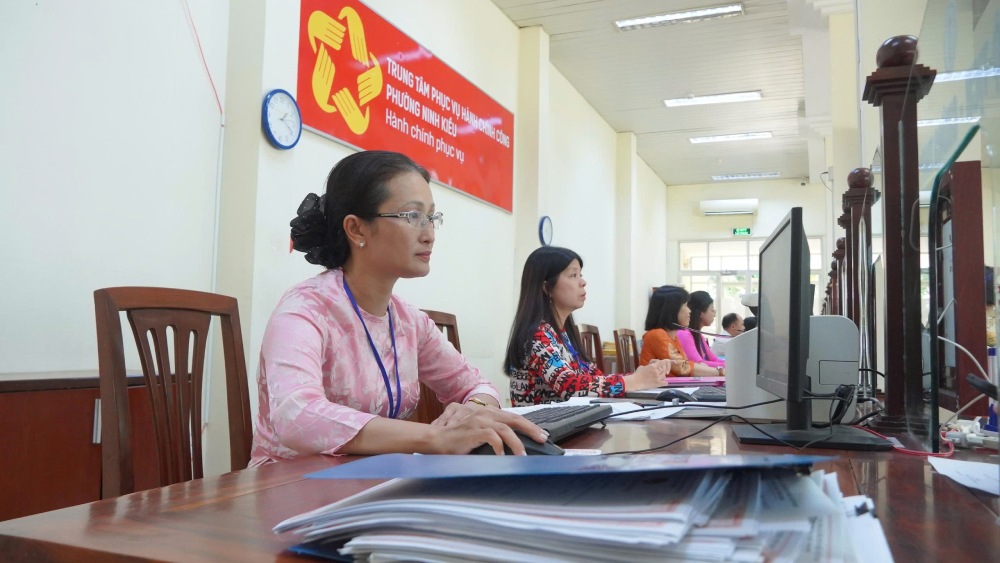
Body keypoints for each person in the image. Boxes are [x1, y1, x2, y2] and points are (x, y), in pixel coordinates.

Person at [251, 150, 546, 464]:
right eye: (413, 216)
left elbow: (476, 383)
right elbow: (296, 415)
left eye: (432, 217)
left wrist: (478, 408)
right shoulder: (304, 309)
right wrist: (436, 437)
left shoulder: (408, 320)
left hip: (376, 480)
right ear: (357, 229)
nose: (429, 234)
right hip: (290, 487)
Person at [505, 246, 669, 406]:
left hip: (564, 426)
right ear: (547, 287)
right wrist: (634, 381)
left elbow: (594, 378)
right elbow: (569, 386)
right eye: (573, 275)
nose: (583, 282)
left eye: (580, 275)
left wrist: (643, 374)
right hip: (540, 428)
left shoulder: (562, 334)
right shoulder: (537, 334)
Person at [639, 286, 721, 376]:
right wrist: (721, 372)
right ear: (672, 309)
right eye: (685, 305)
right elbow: (683, 368)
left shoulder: (673, 337)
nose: (690, 311)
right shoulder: (656, 335)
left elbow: (685, 364)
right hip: (662, 389)